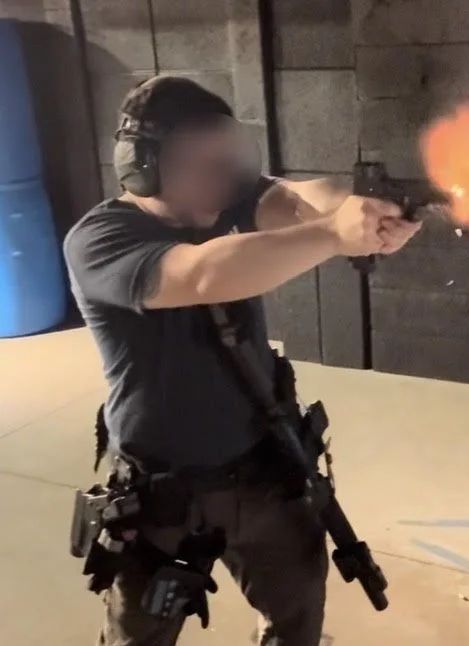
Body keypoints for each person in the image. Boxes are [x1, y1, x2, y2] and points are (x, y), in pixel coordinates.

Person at [62, 75, 421, 646]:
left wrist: (366, 207)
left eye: (228, 162)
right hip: (160, 492)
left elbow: (301, 199)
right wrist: (333, 234)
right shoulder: (101, 239)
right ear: (145, 167)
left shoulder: (232, 196)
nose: (224, 180)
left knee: (298, 617)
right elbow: (205, 273)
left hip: (263, 469)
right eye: (204, 166)